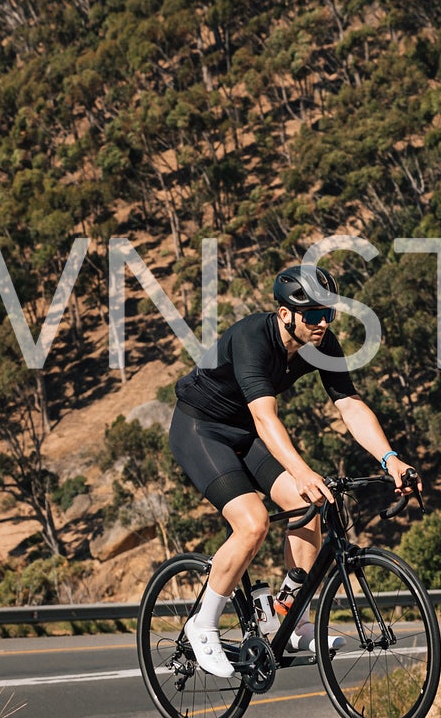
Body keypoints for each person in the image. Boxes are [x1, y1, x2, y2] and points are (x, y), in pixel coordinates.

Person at [169, 264, 417, 677]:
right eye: (313, 315)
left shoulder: (323, 344)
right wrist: (302, 470)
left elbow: (350, 406)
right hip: (200, 429)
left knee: (310, 504)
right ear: (285, 314)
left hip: (244, 432)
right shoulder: (252, 338)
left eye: (328, 314)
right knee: (253, 522)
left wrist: (391, 459)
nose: (322, 324)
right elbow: (266, 418)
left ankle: (290, 615)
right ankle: (203, 624)